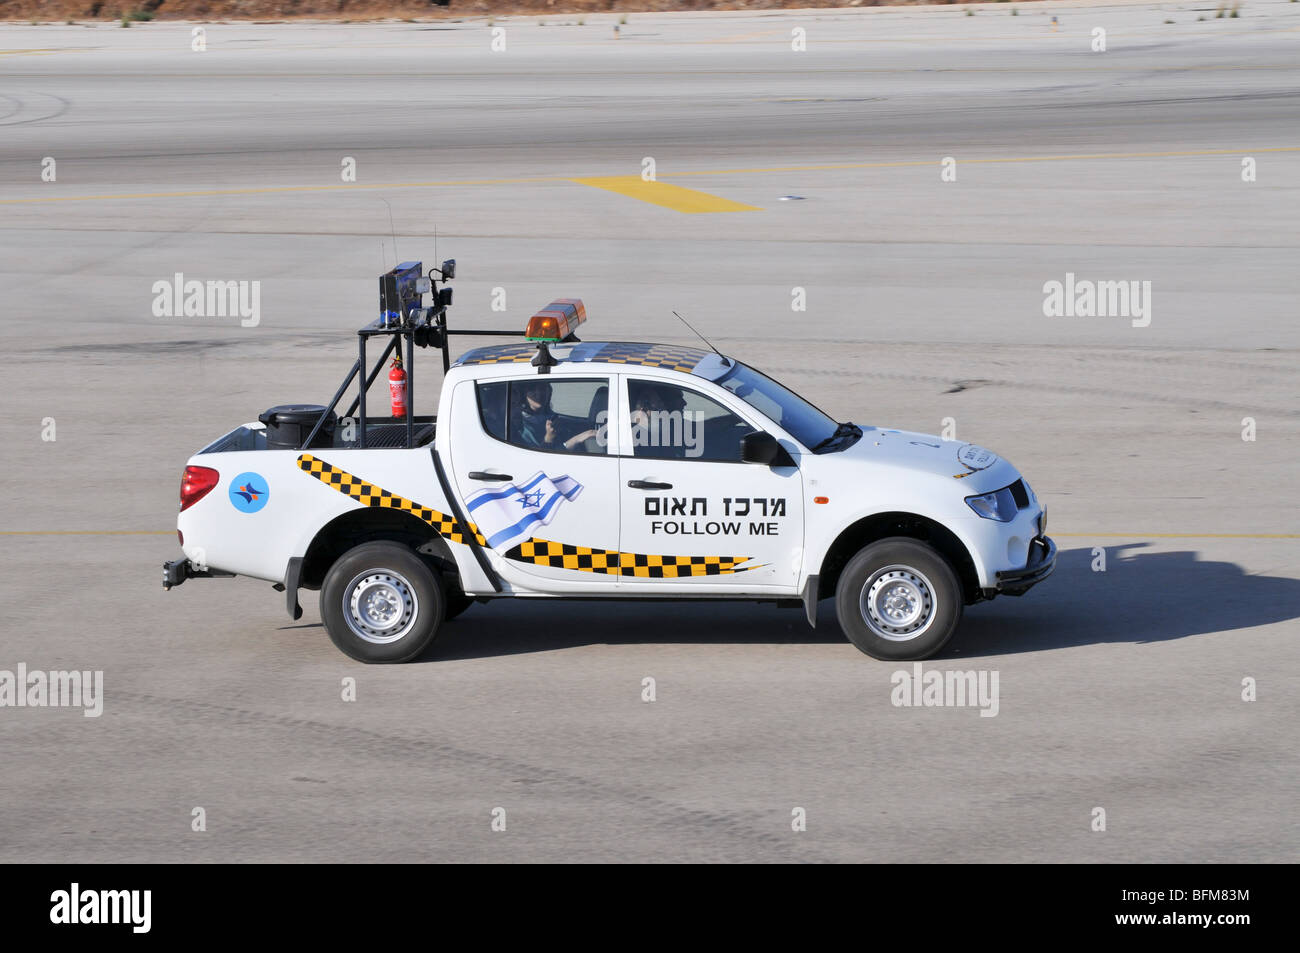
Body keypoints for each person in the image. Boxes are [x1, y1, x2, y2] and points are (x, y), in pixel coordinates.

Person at [516, 380, 600, 452]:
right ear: (523, 394)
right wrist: (548, 439)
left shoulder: (552, 418)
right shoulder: (520, 425)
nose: (539, 393)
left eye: (542, 388)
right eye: (532, 389)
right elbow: (539, 458)